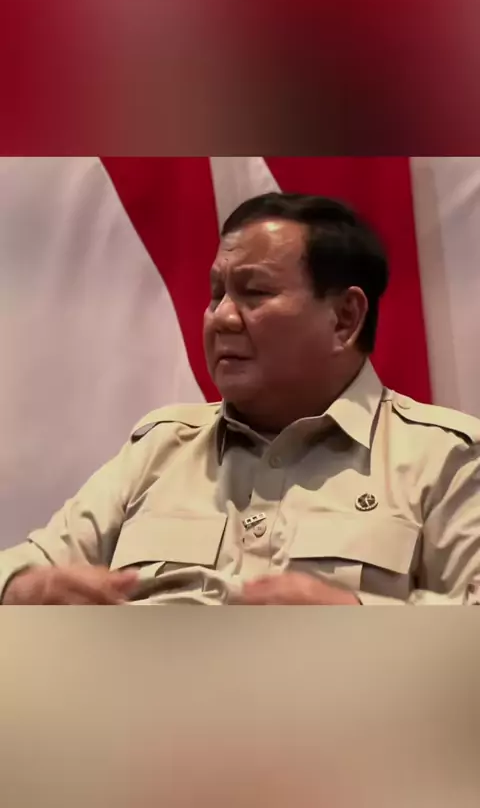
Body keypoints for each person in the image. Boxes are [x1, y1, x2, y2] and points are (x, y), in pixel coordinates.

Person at [2, 192, 480, 606]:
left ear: (344, 318)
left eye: (254, 293)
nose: (222, 318)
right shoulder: (160, 448)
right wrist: (26, 590)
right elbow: (22, 568)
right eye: (217, 294)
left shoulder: (447, 458)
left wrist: (354, 617)